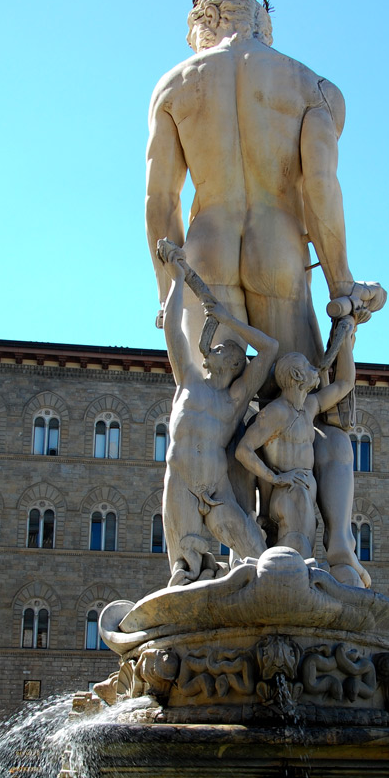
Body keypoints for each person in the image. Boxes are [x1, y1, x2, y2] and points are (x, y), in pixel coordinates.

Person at [145, 0, 386, 583]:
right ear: (264, 24)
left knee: (208, 414)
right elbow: (321, 191)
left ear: (201, 25)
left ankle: (200, 563)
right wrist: (342, 284)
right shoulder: (312, 88)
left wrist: (165, 291)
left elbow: (159, 202)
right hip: (280, 248)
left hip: (206, 251)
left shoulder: (176, 85)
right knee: (312, 414)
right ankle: (326, 553)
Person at [158, 239, 278, 584]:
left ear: (235, 363)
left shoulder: (235, 398)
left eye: (224, 347)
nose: (214, 347)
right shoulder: (189, 380)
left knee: (256, 553)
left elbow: (270, 349)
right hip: (181, 479)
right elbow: (172, 331)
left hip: (216, 487)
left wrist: (227, 319)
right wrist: (177, 278)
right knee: (183, 571)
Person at [235, 318, 367, 585]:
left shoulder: (309, 407)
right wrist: (275, 479)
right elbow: (243, 450)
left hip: (304, 490)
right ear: (296, 376)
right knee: (297, 565)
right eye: (307, 367)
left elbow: (344, 384)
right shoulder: (276, 413)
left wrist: (346, 343)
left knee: (302, 560)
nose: (314, 369)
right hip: (290, 494)